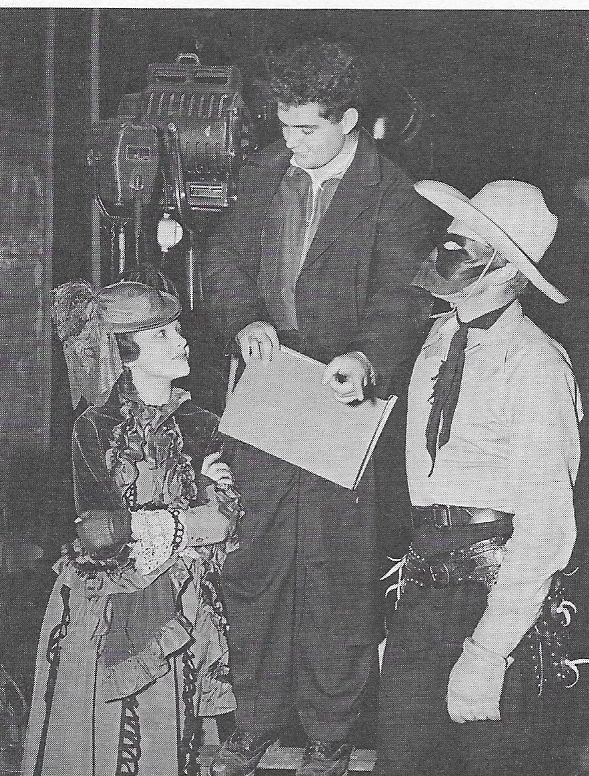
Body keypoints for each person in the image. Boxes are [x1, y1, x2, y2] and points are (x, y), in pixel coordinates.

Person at [202, 39, 432, 776]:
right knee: (254, 562)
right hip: (269, 382)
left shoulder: (392, 194)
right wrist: (244, 317)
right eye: (283, 124)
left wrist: (366, 357)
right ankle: (253, 723)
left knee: (335, 571)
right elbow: (224, 262)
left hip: (340, 393)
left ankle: (330, 733)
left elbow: (402, 298)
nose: (289, 141)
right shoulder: (264, 172)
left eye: (305, 129)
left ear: (350, 120)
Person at [375, 179, 583, 776]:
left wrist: (489, 651)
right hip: (424, 585)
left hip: (493, 595)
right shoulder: (437, 342)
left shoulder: (539, 365)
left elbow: (545, 528)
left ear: (508, 270)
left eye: (465, 243)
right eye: (450, 237)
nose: (444, 250)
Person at [22, 279, 243, 776]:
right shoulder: (94, 426)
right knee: (104, 739)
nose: (181, 341)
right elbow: (99, 534)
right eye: (162, 334)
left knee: (177, 738)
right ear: (127, 352)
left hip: (184, 604)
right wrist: (187, 523)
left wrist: (164, 523)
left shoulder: (203, 424)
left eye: (176, 329)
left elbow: (226, 522)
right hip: (107, 611)